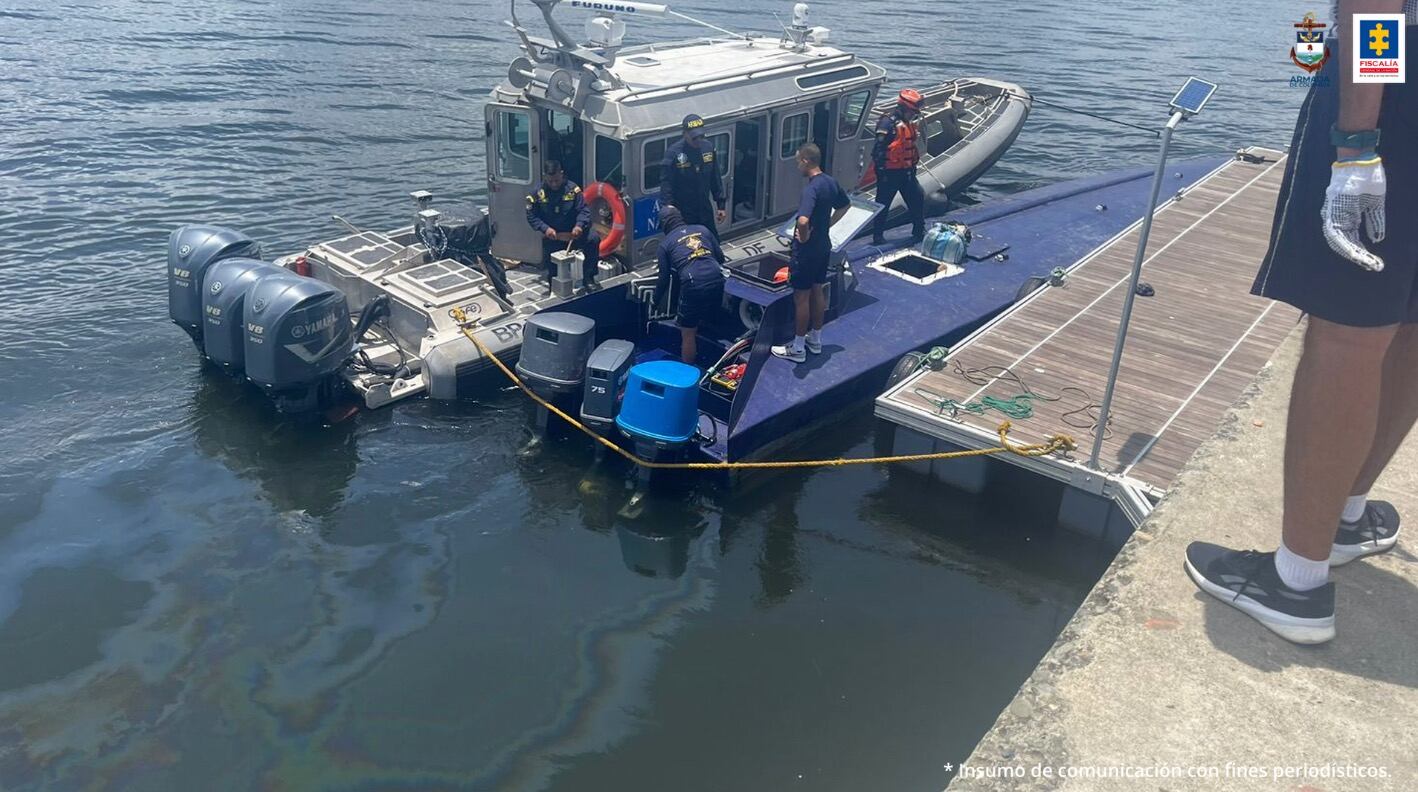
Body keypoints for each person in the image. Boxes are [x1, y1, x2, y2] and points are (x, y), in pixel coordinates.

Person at [1185, 1, 1415, 645]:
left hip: (1396, 90)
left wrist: (1358, 143)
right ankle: (1346, 517)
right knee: (1411, 320)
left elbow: (1380, 10)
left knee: (1349, 330)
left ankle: (1297, 583)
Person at [772, 143, 852, 364]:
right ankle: (815, 339)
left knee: (801, 298)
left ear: (806, 160)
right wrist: (827, 224)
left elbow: (803, 219)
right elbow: (845, 206)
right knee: (817, 290)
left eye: (798, 161)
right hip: (823, 247)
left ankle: (797, 347)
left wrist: (804, 235)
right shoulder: (831, 182)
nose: (797, 165)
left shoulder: (811, 189)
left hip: (806, 252)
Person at [654, 207, 725, 366]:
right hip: (716, 276)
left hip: (692, 283)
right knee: (711, 319)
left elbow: (664, 279)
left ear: (664, 224)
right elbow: (720, 258)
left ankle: (688, 373)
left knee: (688, 333)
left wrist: (655, 301)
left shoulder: (665, 245)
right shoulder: (702, 230)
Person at [525, 160, 599, 292]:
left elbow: (583, 210)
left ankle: (589, 278)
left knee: (593, 239)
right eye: (550, 181)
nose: (554, 184)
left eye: (557, 181)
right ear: (545, 176)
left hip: (573, 233)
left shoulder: (573, 190)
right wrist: (545, 229)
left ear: (562, 174)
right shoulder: (536, 194)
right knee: (551, 262)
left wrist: (579, 226)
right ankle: (553, 285)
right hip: (554, 235)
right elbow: (532, 216)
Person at [871, 88, 927, 246]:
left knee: (917, 197)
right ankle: (878, 237)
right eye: (912, 112)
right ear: (903, 108)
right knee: (882, 205)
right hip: (890, 174)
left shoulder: (908, 122)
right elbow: (878, 150)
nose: (913, 115)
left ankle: (918, 231)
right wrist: (882, 172)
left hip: (907, 172)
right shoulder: (887, 123)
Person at [661, 114, 727, 241]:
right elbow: (666, 183)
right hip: (683, 212)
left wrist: (721, 205)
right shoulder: (674, 153)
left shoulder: (708, 148)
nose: (698, 140)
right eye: (694, 138)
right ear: (684, 134)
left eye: (701, 136)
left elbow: (715, 177)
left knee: (712, 241)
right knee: (689, 245)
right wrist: (669, 208)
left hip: (704, 209)